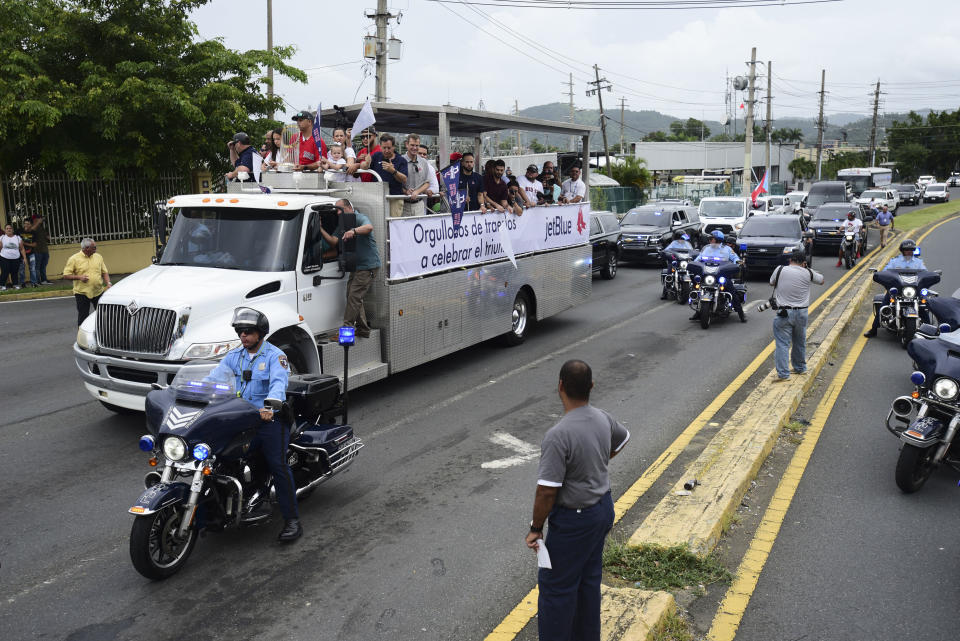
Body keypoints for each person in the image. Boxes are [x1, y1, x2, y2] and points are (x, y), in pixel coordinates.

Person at [526, 360, 629, 641]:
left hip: (575, 521)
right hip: (602, 511)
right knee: (587, 582)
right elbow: (621, 440)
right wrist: (595, 463)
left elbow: (547, 491)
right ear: (591, 387)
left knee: (556, 589)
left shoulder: (558, 435)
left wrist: (536, 528)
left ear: (560, 386)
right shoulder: (602, 418)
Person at [209, 307, 302, 542]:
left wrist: (270, 407)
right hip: (242, 418)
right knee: (217, 456)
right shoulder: (234, 356)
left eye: (248, 332)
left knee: (277, 465)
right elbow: (214, 378)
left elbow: (279, 384)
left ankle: (292, 520)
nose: (243, 336)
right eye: (240, 332)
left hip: (270, 419)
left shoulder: (275, 356)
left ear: (260, 333)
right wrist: (186, 390)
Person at [318, 198, 381, 339]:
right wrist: (320, 228)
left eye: (339, 210)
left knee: (354, 297)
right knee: (352, 297)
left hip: (368, 266)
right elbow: (334, 241)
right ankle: (363, 330)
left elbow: (369, 227)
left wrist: (353, 231)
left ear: (348, 208)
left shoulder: (359, 217)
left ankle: (346, 333)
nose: (337, 213)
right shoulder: (342, 223)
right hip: (357, 267)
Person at [769, 250, 824, 380]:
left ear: (790, 260)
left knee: (782, 344)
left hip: (784, 312)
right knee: (799, 341)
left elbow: (771, 282)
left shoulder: (780, 269)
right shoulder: (808, 272)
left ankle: (783, 374)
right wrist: (807, 269)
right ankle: (800, 368)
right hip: (802, 313)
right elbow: (821, 281)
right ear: (804, 263)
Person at [864, 239, 927, 338]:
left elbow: (924, 274)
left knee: (924, 306)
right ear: (902, 250)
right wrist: (880, 275)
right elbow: (886, 272)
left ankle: (929, 330)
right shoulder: (894, 261)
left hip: (912, 291)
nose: (909, 252)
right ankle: (874, 329)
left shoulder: (919, 262)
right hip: (897, 290)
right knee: (883, 306)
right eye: (907, 250)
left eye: (911, 249)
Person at [691, 230, 746, 322]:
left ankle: (741, 314)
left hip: (722, 275)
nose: (709, 240)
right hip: (707, 274)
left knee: (732, 292)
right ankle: (698, 311)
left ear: (717, 240)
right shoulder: (706, 248)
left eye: (711, 239)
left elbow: (734, 257)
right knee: (698, 288)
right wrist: (693, 262)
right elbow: (699, 257)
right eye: (710, 239)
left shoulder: (727, 249)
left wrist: (738, 261)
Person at [63, 237, 111, 325]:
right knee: (83, 317)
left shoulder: (98, 257)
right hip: (82, 293)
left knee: (103, 314)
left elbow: (104, 272)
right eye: (94, 248)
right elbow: (66, 275)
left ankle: (103, 334)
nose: (96, 249)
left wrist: (108, 283)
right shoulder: (74, 259)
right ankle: (81, 337)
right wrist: (79, 277)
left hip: (98, 291)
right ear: (86, 248)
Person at [362, 134, 408, 217]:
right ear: (380, 146)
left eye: (389, 148)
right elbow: (362, 166)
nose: (386, 150)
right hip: (377, 198)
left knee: (393, 225)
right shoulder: (376, 156)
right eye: (384, 148)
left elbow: (404, 179)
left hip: (394, 199)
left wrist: (393, 171)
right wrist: (366, 163)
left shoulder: (401, 160)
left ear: (394, 147)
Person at [401, 134, 431, 216]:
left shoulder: (424, 162)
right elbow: (395, 183)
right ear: (407, 144)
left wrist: (417, 192)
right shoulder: (400, 161)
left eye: (417, 145)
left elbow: (427, 182)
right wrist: (406, 191)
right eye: (412, 145)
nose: (414, 148)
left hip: (419, 205)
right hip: (404, 205)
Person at [660, 231, 693, 300]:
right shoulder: (673, 244)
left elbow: (692, 251)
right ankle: (665, 292)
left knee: (693, 272)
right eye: (682, 238)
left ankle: (694, 290)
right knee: (669, 273)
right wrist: (667, 253)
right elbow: (666, 250)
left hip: (684, 262)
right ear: (678, 238)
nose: (683, 240)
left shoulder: (687, 244)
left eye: (684, 238)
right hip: (675, 262)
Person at [1, 223, 27, 290]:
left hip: (15, 258)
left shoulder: (17, 238)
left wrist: (24, 258)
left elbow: (22, 249)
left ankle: (15, 285)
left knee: (14, 272)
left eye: (10, 228)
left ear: (12, 230)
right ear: (5, 230)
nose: (9, 230)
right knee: (5, 272)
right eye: (7, 228)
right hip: (4, 258)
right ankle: (2, 286)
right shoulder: (2, 238)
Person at [28, 214, 51, 284]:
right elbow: (30, 230)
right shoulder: (32, 226)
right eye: (40, 218)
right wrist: (37, 222)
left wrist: (48, 237)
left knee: (43, 266)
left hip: (44, 249)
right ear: (35, 219)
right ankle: (38, 281)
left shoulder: (41, 227)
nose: (41, 219)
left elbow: (45, 236)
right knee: (37, 267)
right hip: (37, 251)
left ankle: (44, 280)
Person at [17, 218, 35, 288]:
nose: (26, 225)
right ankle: (22, 284)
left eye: (28, 224)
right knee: (21, 269)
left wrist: (24, 243)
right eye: (25, 223)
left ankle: (33, 283)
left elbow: (34, 244)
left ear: (31, 225)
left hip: (31, 253)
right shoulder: (19, 231)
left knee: (32, 268)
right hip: (21, 253)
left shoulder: (33, 233)